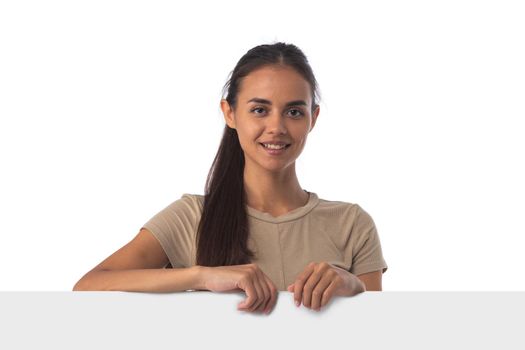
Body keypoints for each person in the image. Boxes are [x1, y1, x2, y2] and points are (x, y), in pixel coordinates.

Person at [73, 42, 388, 315]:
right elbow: (88, 287)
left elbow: (380, 333)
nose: (277, 127)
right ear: (229, 113)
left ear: (313, 118)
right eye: (259, 110)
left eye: (293, 112)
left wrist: (354, 287)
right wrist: (201, 276)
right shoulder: (190, 218)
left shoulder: (352, 224)